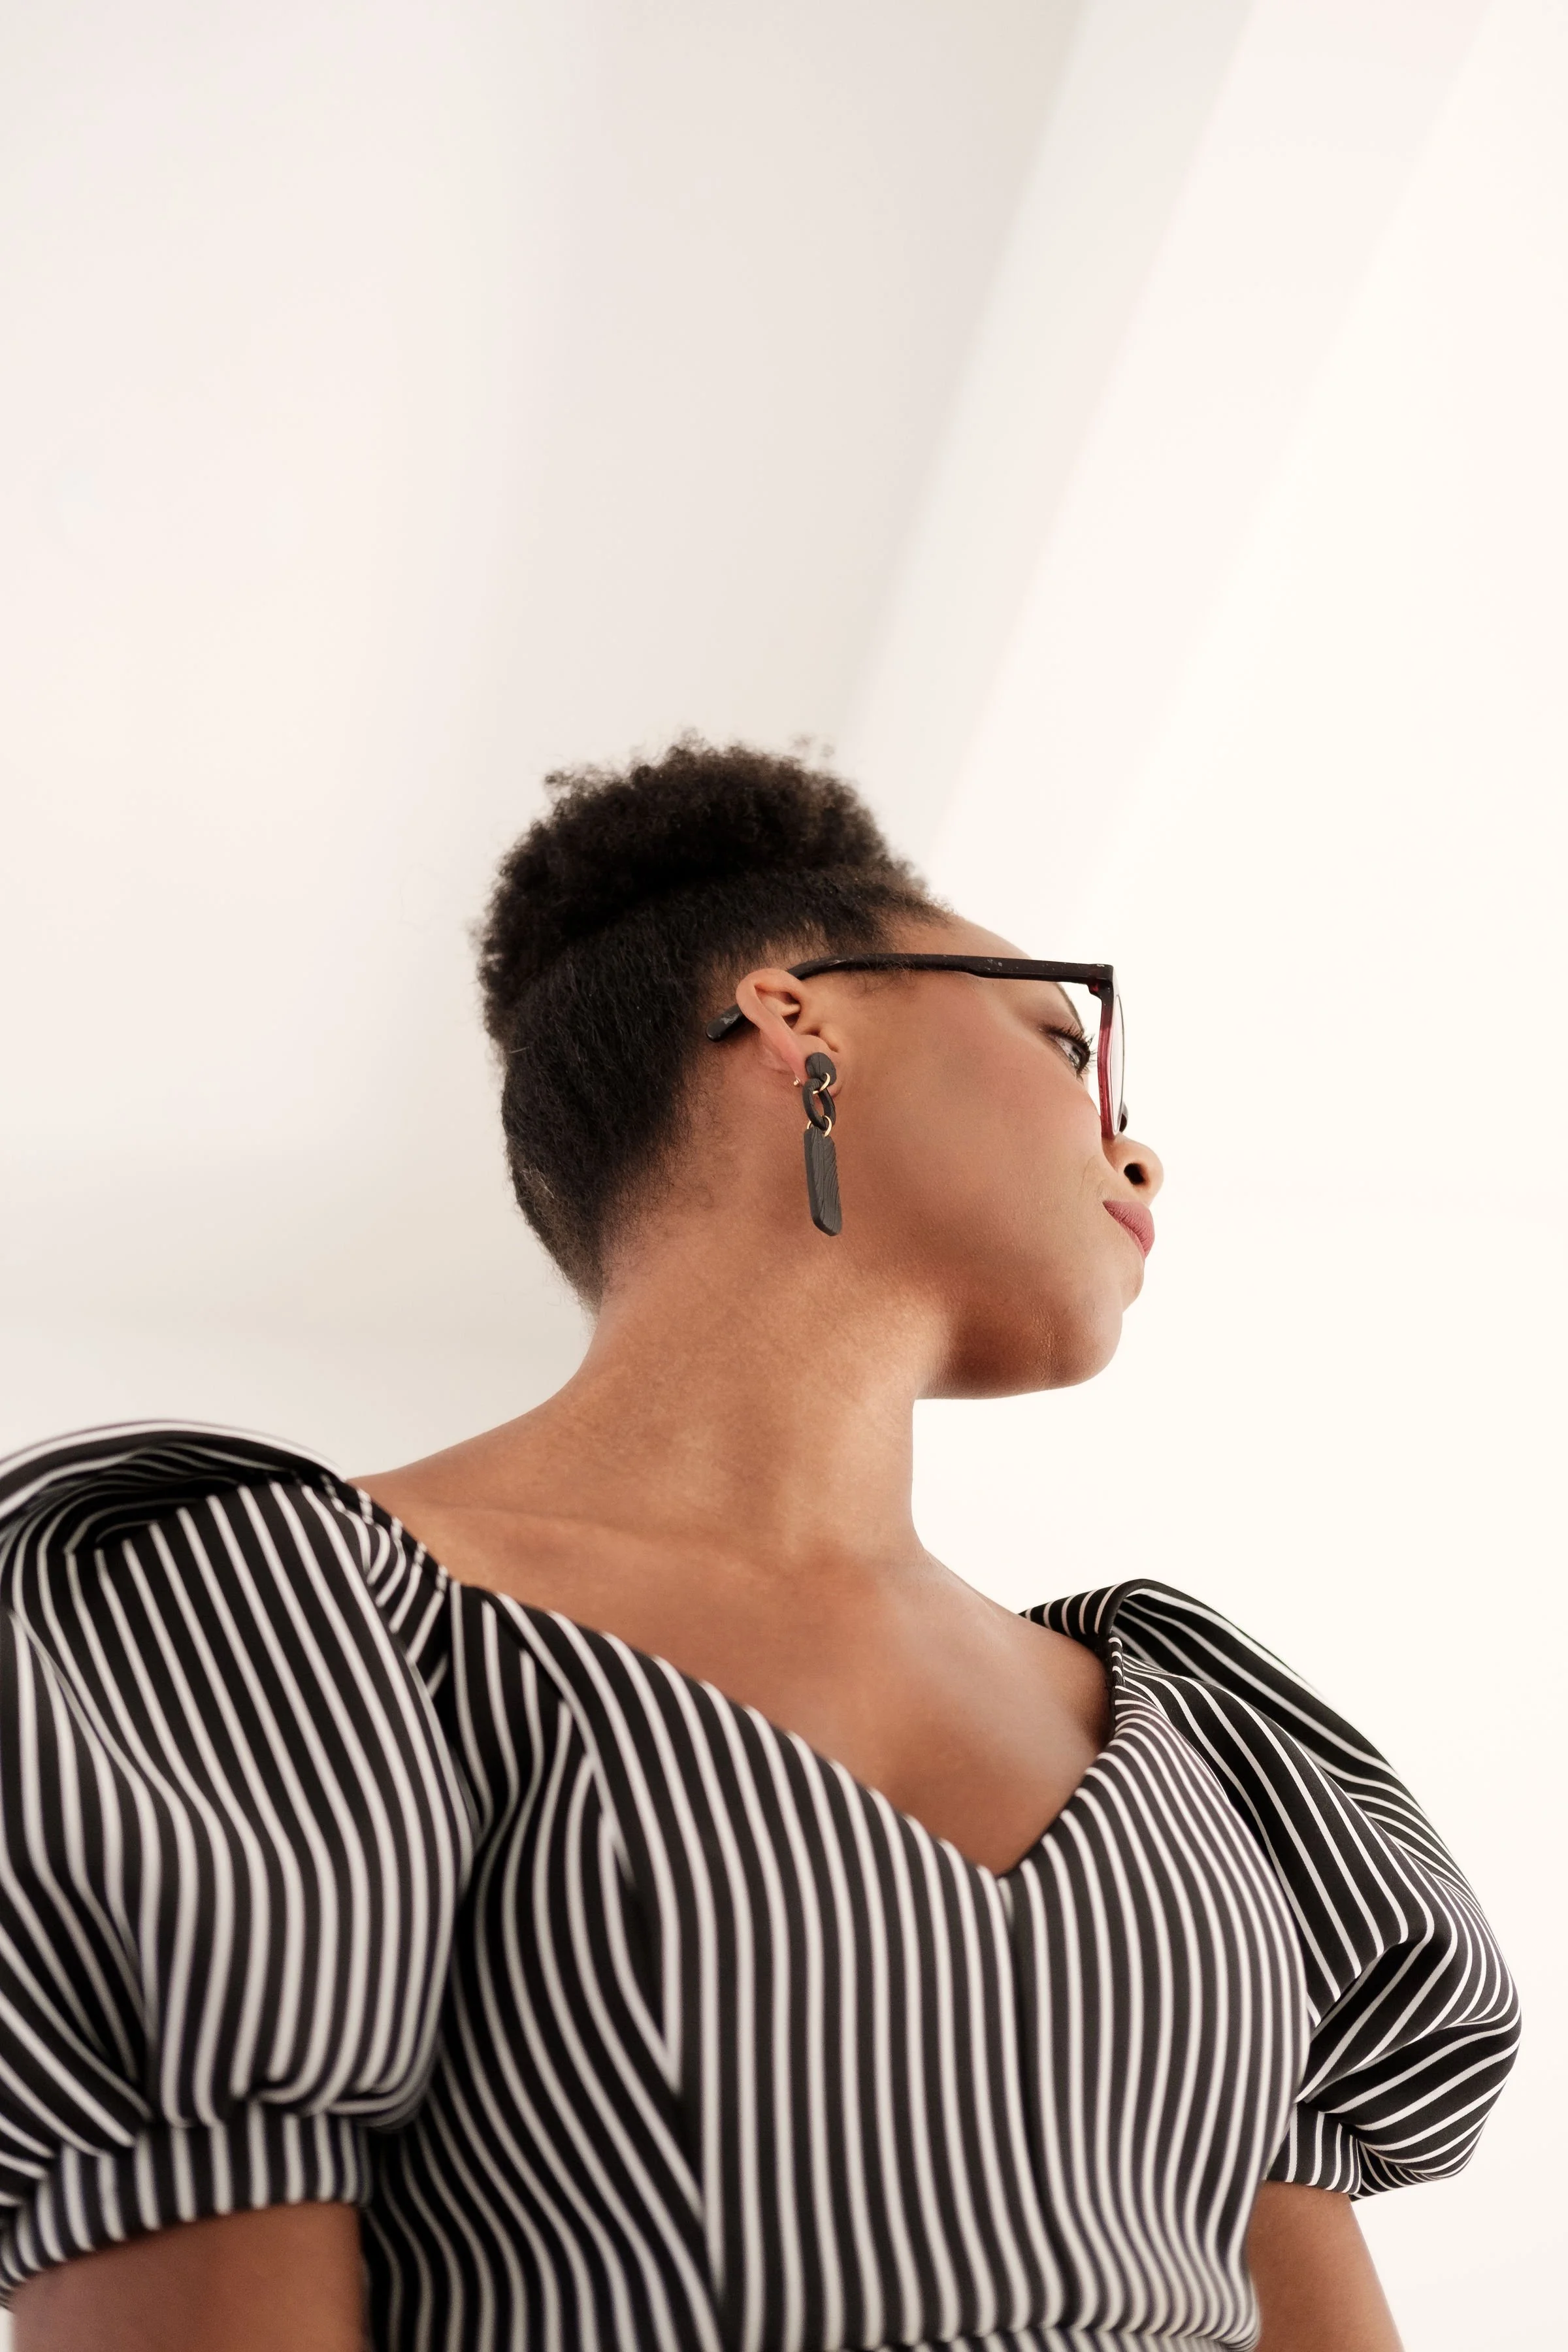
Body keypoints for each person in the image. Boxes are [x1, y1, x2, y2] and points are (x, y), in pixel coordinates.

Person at [1, 742, 1518, 2351]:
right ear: (801, 1018)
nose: (1137, 1153)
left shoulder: (1213, 1748)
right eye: (1066, 1045)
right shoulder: (271, 1623)